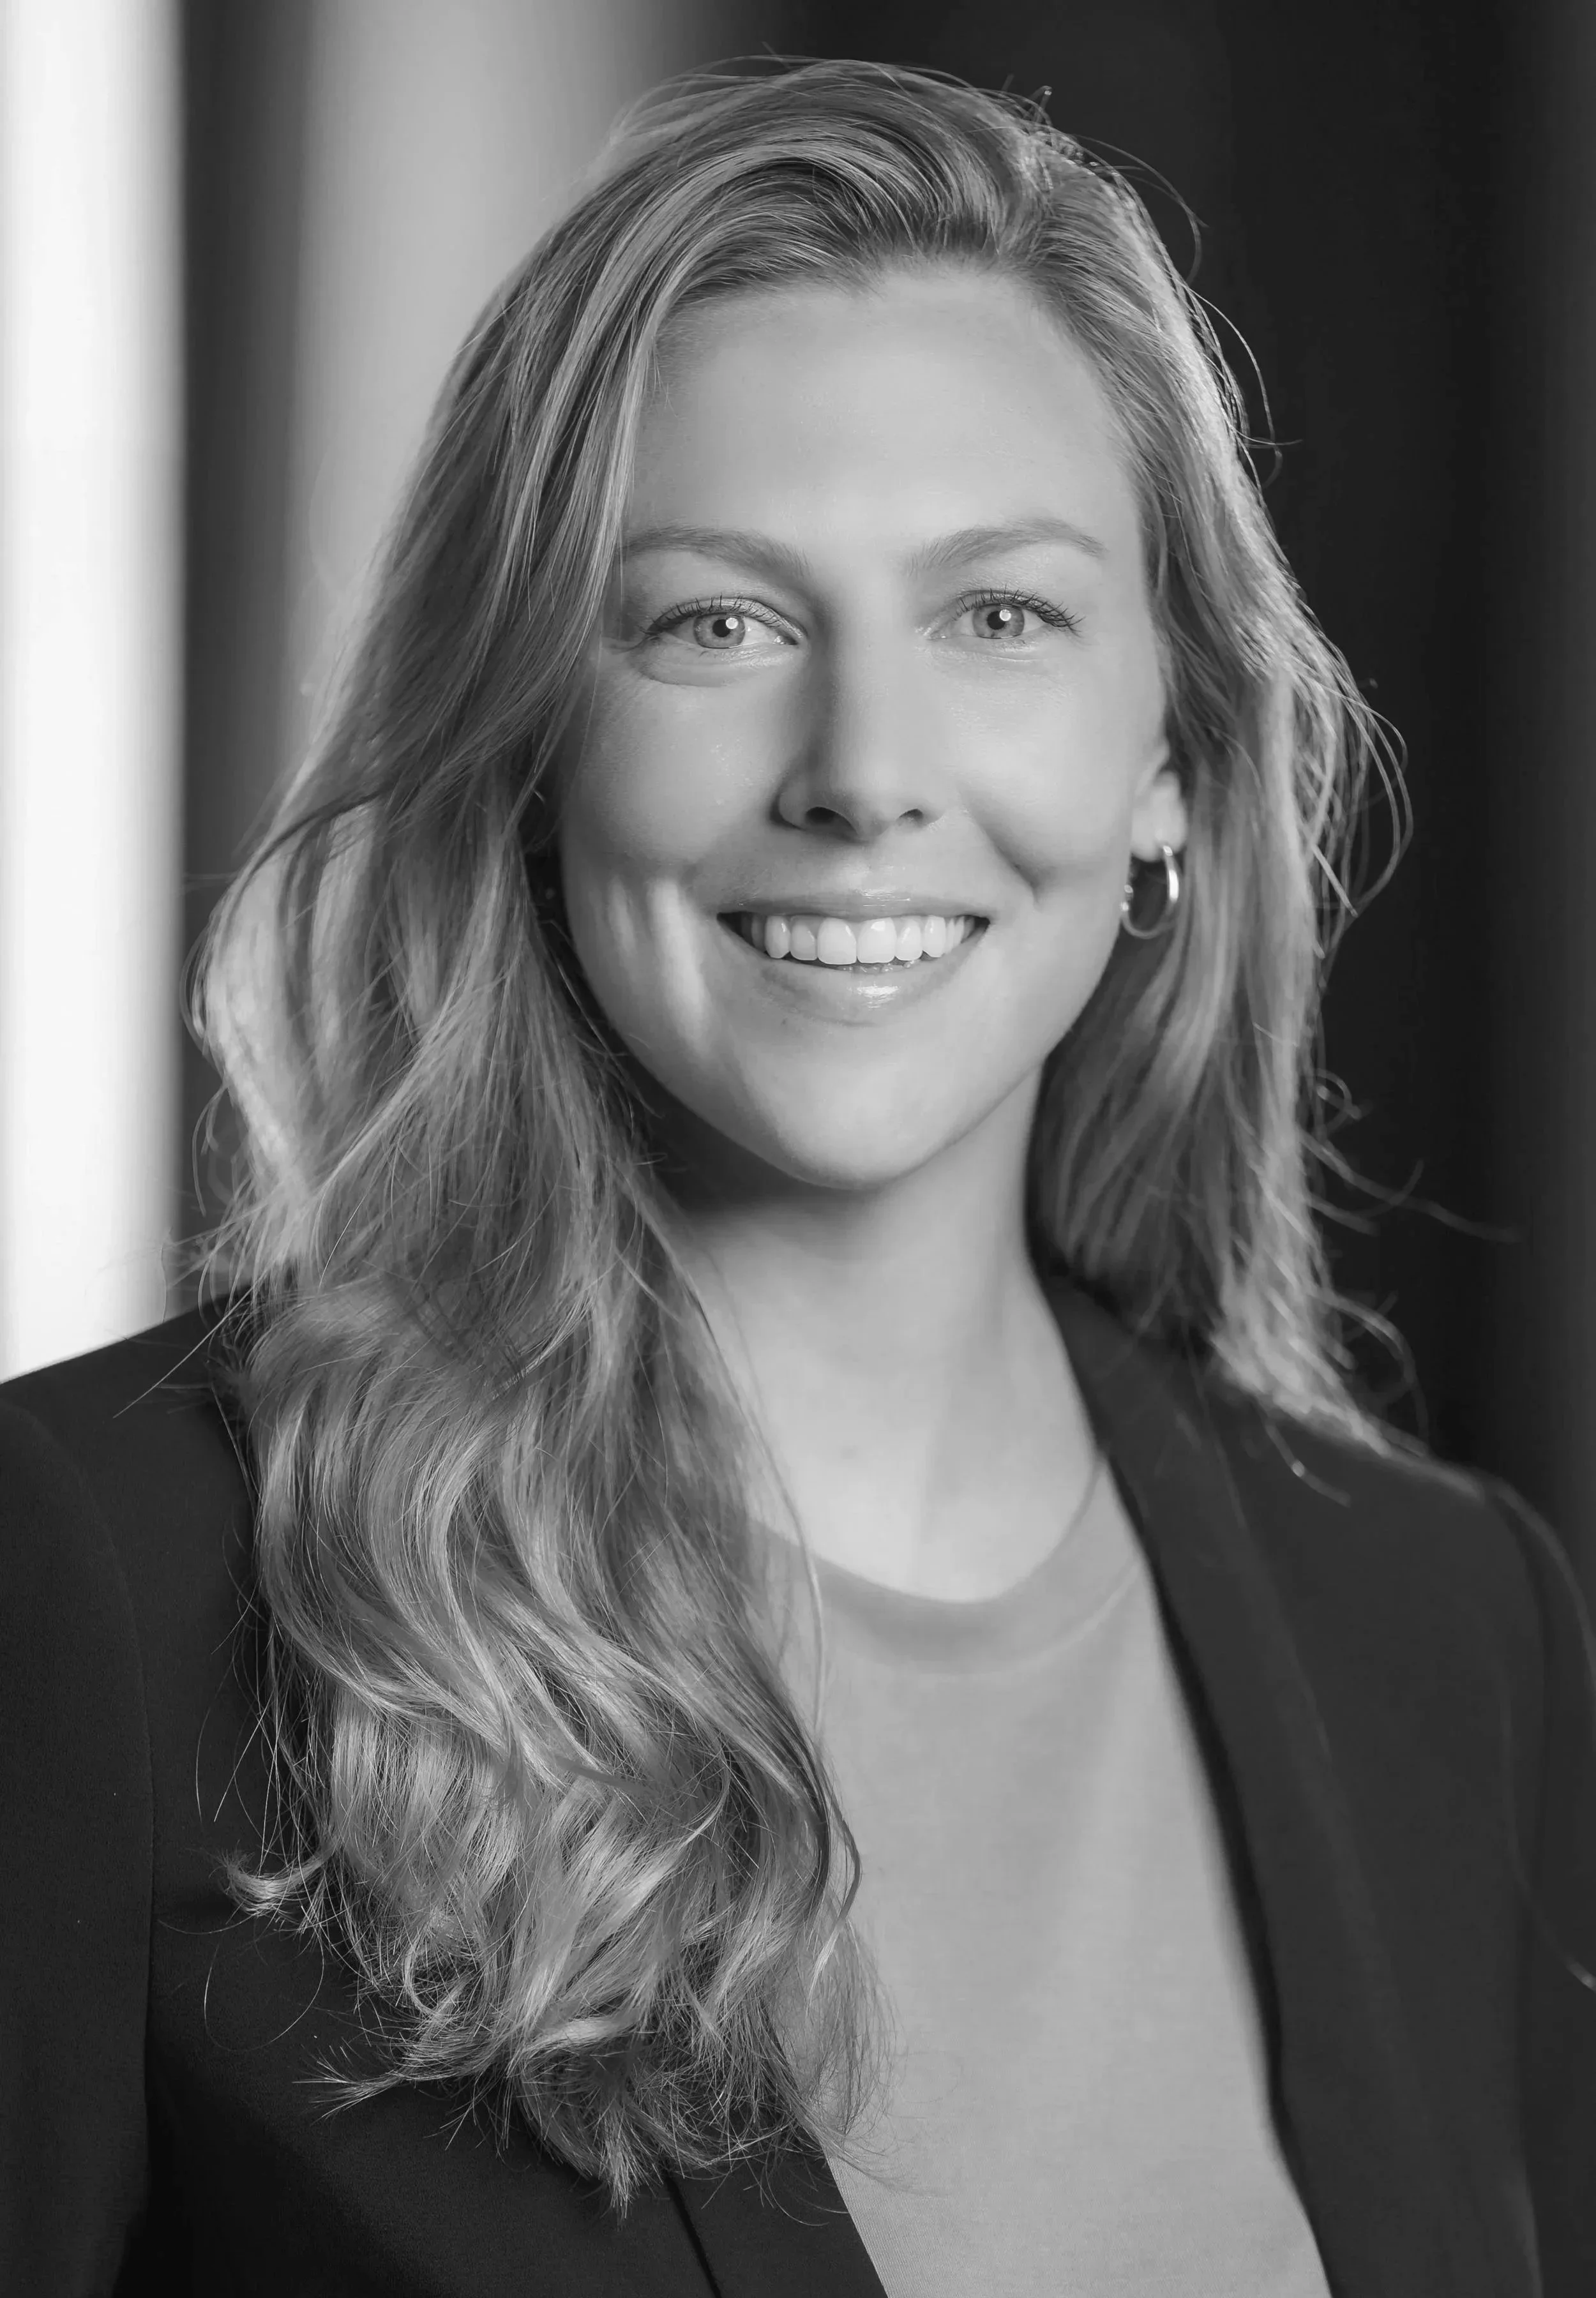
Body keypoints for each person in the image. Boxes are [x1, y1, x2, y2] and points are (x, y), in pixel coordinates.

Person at [1, 56, 1592, 2298]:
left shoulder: (1453, 1636)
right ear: (534, 733)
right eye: (714, 622)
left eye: (999, 616)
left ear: (1175, 755)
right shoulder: (108, 1591)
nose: (860, 774)